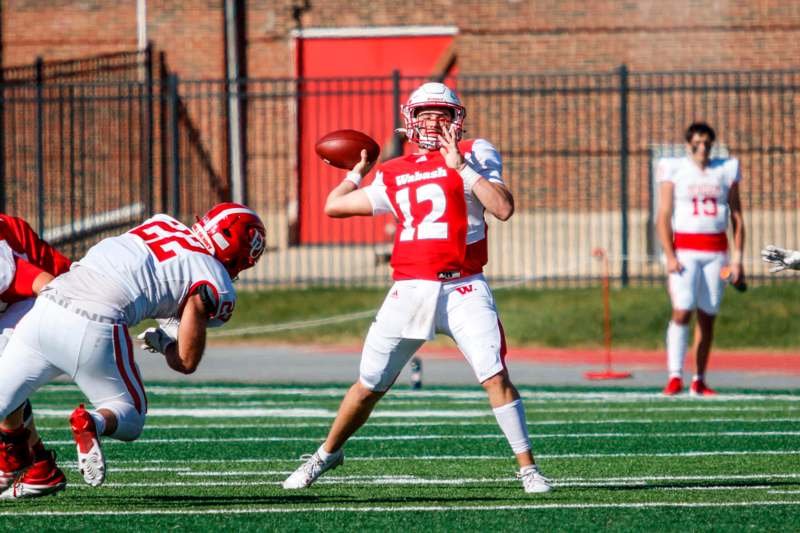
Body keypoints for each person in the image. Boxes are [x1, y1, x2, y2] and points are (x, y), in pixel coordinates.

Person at [282, 82, 552, 494]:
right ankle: (327, 454)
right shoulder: (394, 170)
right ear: (411, 120)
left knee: (494, 375)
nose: (432, 121)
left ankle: (528, 469)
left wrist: (460, 166)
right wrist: (358, 171)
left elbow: (503, 208)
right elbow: (333, 206)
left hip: (464, 285)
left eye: (441, 114)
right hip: (409, 288)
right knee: (369, 386)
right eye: (424, 114)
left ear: (456, 119)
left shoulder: (476, 152)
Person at [0, 203, 265, 498]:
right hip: (94, 323)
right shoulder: (212, 275)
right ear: (239, 256)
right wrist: (164, 344)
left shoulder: (161, 224)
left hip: (45, 309)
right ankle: (93, 422)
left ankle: (37, 465)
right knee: (130, 415)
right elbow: (186, 361)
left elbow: (152, 276)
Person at [656, 122, 745, 396]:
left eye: (707, 143)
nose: (702, 148)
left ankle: (699, 378)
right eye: (697, 143)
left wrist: (738, 260)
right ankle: (674, 375)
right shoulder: (675, 169)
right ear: (688, 145)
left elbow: (737, 217)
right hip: (685, 251)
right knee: (682, 311)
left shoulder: (725, 169)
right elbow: (663, 215)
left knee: (708, 316)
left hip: (716, 252)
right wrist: (669, 255)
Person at [0, 214, 73, 498]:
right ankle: (40, 466)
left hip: (40, 297)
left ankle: (14, 448)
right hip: (18, 299)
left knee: (5, 371)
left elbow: (46, 284)